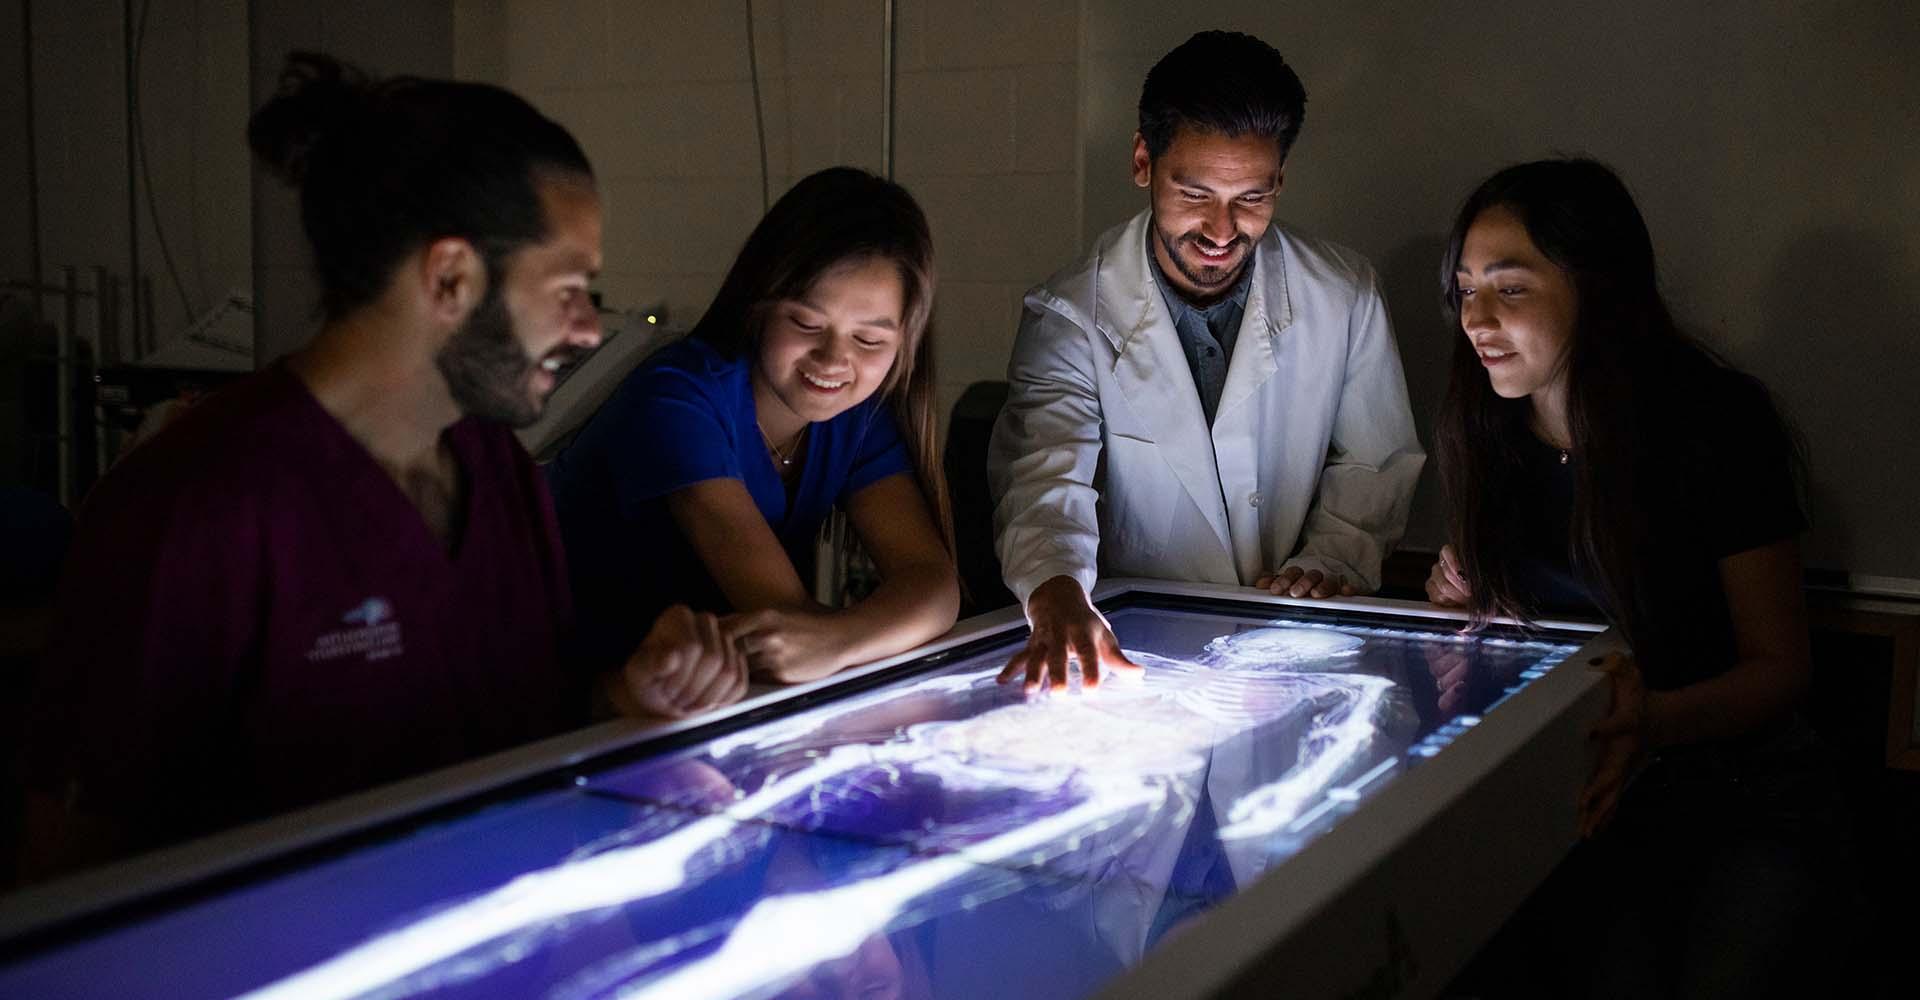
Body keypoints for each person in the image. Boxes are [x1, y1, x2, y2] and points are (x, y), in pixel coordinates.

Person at [17, 53, 743, 877]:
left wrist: (627, 697)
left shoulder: (495, 471)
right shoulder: (194, 503)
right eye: (571, 288)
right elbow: (67, 876)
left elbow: (524, 722)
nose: (586, 329)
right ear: (451, 278)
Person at [1425, 158, 1840, 997]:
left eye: (1509, 289)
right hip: (1572, 794)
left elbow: (1780, 668)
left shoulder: (1713, 424)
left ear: (1596, 287)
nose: (1476, 318)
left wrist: (1648, 722)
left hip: (1737, 795)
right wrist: (1461, 626)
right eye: (1465, 290)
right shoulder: (1488, 430)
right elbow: (1487, 635)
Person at [989, 30, 1424, 692]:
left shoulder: (1344, 293)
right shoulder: (1069, 314)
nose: (1222, 232)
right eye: (1195, 194)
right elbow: (1044, 483)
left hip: (1293, 649)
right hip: (1139, 658)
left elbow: (1374, 460)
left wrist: (1330, 559)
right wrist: (1055, 594)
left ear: (1280, 177)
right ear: (1143, 161)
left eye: (1252, 197)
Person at [547, 167, 959, 686]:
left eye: (870, 341)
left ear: (905, 344)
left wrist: (839, 640)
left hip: (684, 692)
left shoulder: (856, 415)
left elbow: (933, 584)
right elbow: (786, 623)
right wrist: (844, 636)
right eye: (807, 324)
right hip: (564, 693)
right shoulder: (678, 397)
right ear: (758, 304)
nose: (834, 359)